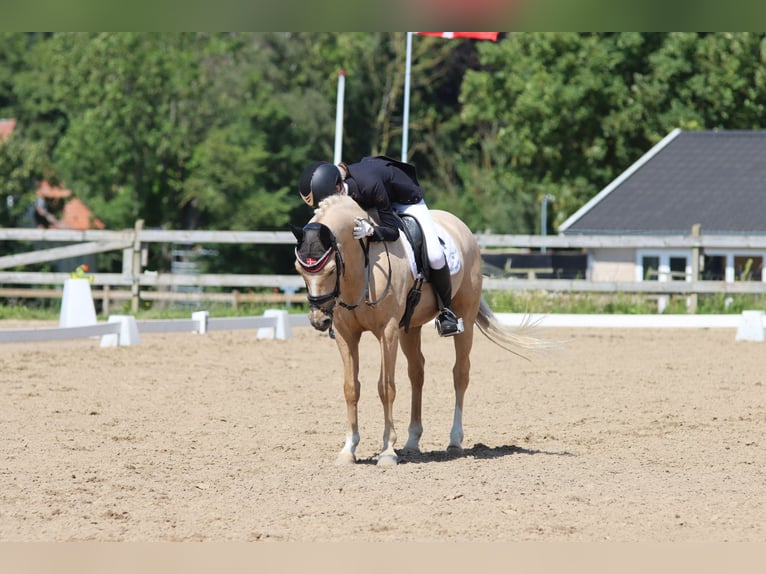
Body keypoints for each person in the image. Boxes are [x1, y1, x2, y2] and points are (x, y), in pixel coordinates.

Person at [298, 156, 463, 336]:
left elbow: (392, 231)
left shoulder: (369, 185)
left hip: (405, 200)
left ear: (338, 188)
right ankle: (339, 313)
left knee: (435, 255)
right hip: (370, 201)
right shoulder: (338, 198)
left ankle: (446, 311)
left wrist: (372, 232)